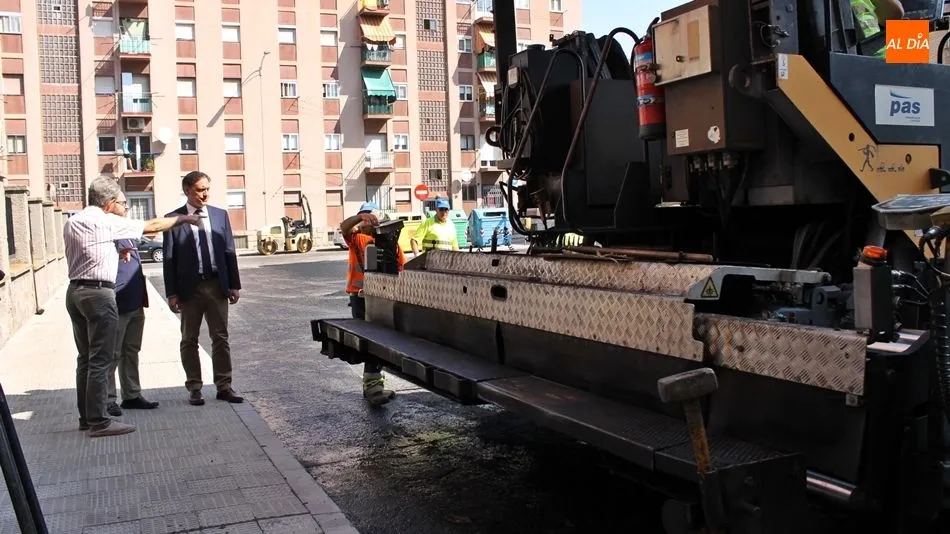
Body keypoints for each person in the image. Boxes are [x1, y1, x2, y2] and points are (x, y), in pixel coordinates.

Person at [64, 177, 200, 437]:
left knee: (85, 359)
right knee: (101, 360)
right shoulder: (104, 221)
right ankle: (99, 422)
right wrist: (183, 219)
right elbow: (152, 226)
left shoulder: (73, 220)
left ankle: (86, 417)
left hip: (75, 292)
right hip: (98, 293)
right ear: (110, 203)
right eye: (119, 202)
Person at [162, 171, 243, 407]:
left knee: (220, 337)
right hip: (190, 288)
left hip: (217, 285)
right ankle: (195, 387)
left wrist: (234, 284)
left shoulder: (219, 216)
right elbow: (169, 259)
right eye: (199, 189)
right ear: (187, 190)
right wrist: (171, 293)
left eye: (207, 188)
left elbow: (229, 251)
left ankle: (224, 386)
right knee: (189, 339)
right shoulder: (174, 219)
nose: (204, 194)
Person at [340, 202, 407, 405]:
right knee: (370, 342)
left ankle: (375, 385)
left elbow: (401, 268)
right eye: (364, 217)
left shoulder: (388, 242)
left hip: (383, 297)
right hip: (360, 296)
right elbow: (344, 226)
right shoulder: (356, 237)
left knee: (379, 341)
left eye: (371, 217)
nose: (368, 221)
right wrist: (361, 218)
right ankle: (373, 388)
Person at [105, 223, 159, 417]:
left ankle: (131, 395)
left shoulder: (125, 231)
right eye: (122, 203)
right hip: (118, 300)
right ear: (111, 203)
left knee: (131, 350)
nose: (126, 207)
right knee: (112, 353)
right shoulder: (107, 230)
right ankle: (108, 399)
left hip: (135, 300)